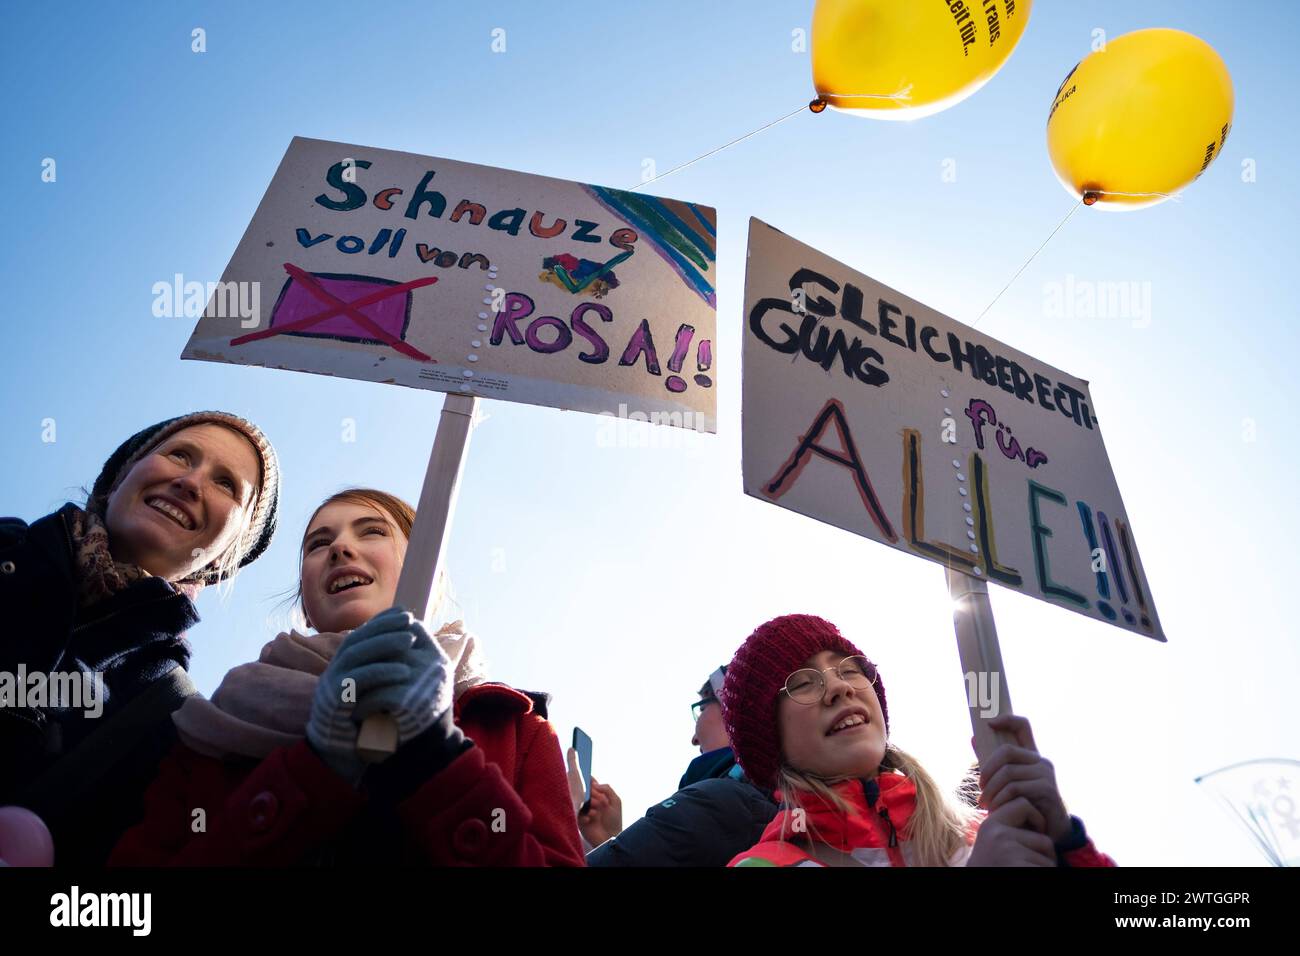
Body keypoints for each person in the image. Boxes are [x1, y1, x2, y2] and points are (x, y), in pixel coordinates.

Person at [110, 488, 584, 865]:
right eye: (319, 544)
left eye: (372, 531)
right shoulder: (210, 729)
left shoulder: (516, 727)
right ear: (307, 606)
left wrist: (437, 762)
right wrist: (314, 770)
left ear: (432, 574)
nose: (340, 548)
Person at [0, 411, 279, 865]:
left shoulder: (174, 720)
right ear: (122, 474)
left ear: (228, 553)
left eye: (226, 483)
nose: (191, 482)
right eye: (179, 454)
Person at [723, 614, 1116, 867]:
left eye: (849, 669)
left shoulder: (982, 832)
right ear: (771, 736)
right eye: (803, 683)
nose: (839, 687)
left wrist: (1065, 843)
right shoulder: (765, 865)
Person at [585, 664, 777, 867]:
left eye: (702, 708)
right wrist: (608, 839)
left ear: (733, 709)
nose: (694, 739)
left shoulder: (718, 801)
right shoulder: (775, 808)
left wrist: (559, 814)